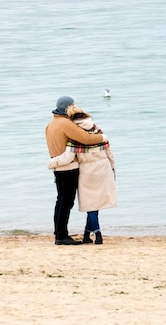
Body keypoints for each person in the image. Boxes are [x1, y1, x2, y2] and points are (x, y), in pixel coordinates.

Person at [48, 104, 117, 245]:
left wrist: (51, 163)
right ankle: (87, 234)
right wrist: (112, 168)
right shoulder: (98, 131)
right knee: (95, 204)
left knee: (90, 204)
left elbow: (67, 157)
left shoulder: (77, 136)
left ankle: (97, 233)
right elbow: (109, 152)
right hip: (103, 169)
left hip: (86, 172)